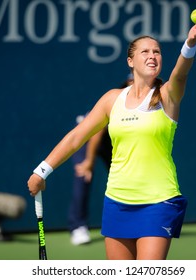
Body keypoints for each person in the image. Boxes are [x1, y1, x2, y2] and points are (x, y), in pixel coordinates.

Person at [28, 23, 196, 260]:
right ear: (130, 61)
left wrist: (190, 44)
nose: (152, 56)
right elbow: (76, 137)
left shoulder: (168, 95)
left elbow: (181, 72)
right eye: (145, 51)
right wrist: (42, 171)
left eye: (157, 51)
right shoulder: (112, 99)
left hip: (159, 201)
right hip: (117, 202)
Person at [68, 74, 134, 246]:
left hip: (111, 141)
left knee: (125, 176)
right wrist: (89, 162)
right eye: (132, 81)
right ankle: (78, 227)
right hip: (88, 137)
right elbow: (96, 134)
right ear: (126, 83)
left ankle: (131, 221)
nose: (135, 84)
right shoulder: (118, 100)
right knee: (84, 175)